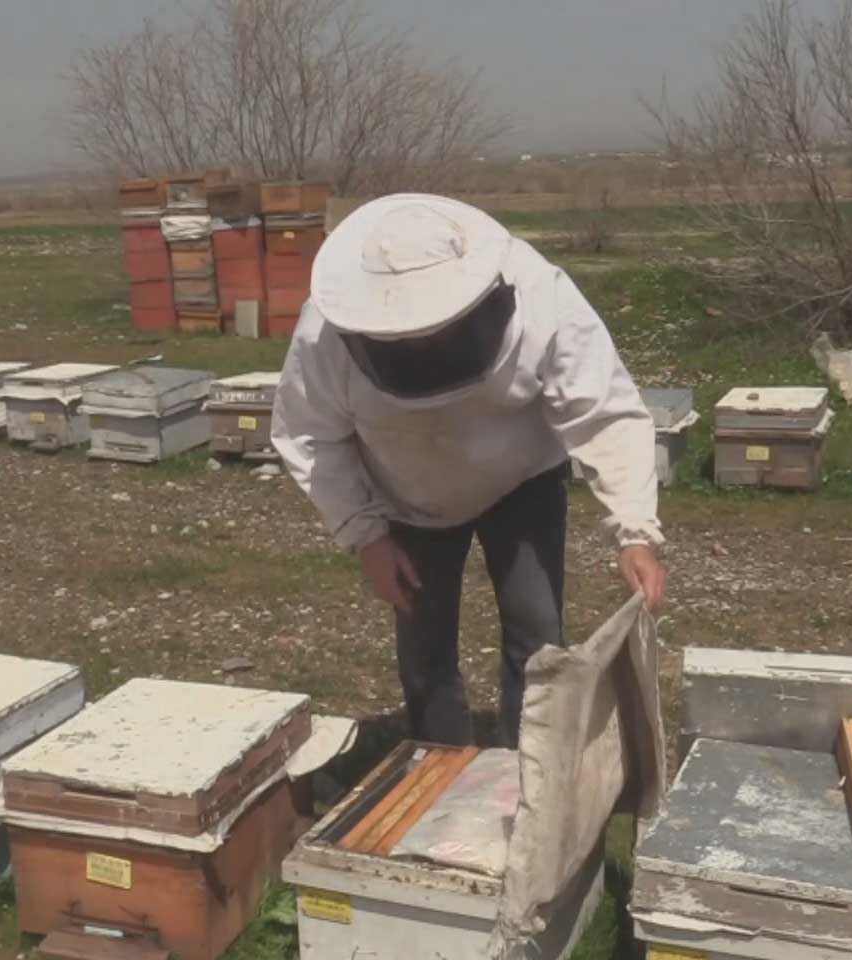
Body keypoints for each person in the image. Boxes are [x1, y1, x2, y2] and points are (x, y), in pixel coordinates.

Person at [272, 193, 667, 749]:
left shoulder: (541, 295)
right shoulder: (326, 333)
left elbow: (604, 409)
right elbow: (308, 433)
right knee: (424, 651)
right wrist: (366, 538)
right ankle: (439, 774)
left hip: (522, 484)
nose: (424, 348)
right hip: (409, 498)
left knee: (536, 639)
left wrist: (634, 532)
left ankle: (530, 772)